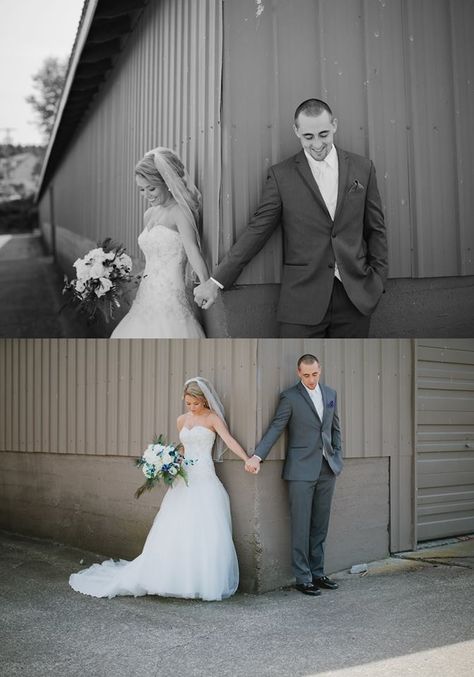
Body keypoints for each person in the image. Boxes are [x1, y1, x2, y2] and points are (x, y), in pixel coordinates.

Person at [194, 98, 388, 338]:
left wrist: (378, 280)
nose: (317, 144)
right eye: (308, 137)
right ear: (296, 131)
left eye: (324, 134)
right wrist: (216, 282)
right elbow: (258, 231)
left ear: (335, 125)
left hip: (356, 296)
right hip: (301, 300)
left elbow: (376, 229)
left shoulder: (363, 168)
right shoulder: (281, 176)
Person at [69, 377, 254, 601]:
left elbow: (229, 440)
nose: (192, 407)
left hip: (204, 477)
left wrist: (247, 458)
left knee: (204, 527)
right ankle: (167, 577)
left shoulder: (212, 418)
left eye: (195, 403)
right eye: (188, 403)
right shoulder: (181, 420)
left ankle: (199, 580)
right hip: (183, 479)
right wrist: (167, 463)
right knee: (174, 525)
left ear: (204, 400)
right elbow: (183, 450)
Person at [245, 354, 343, 596]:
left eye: (315, 374)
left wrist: (337, 457)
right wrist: (257, 456)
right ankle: (303, 577)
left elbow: (334, 428)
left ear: (320, 371)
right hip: (300, 470)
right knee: (301, 525)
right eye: (306, 375)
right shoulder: (290, 397)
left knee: (320, 524)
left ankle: (318, 573)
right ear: (299, 373)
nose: (311, 379)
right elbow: (277, 427)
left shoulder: (330, 394)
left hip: (327, 468)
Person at [111, 147, 208, 338]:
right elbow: (153, 260)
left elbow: (193, 251)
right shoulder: (149, 214)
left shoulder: (180, 213)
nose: (147, 194)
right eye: (141, 189)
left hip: (170, 299)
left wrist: (206, 285)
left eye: (151, 188)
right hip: (145, 298)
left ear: (167, 182)